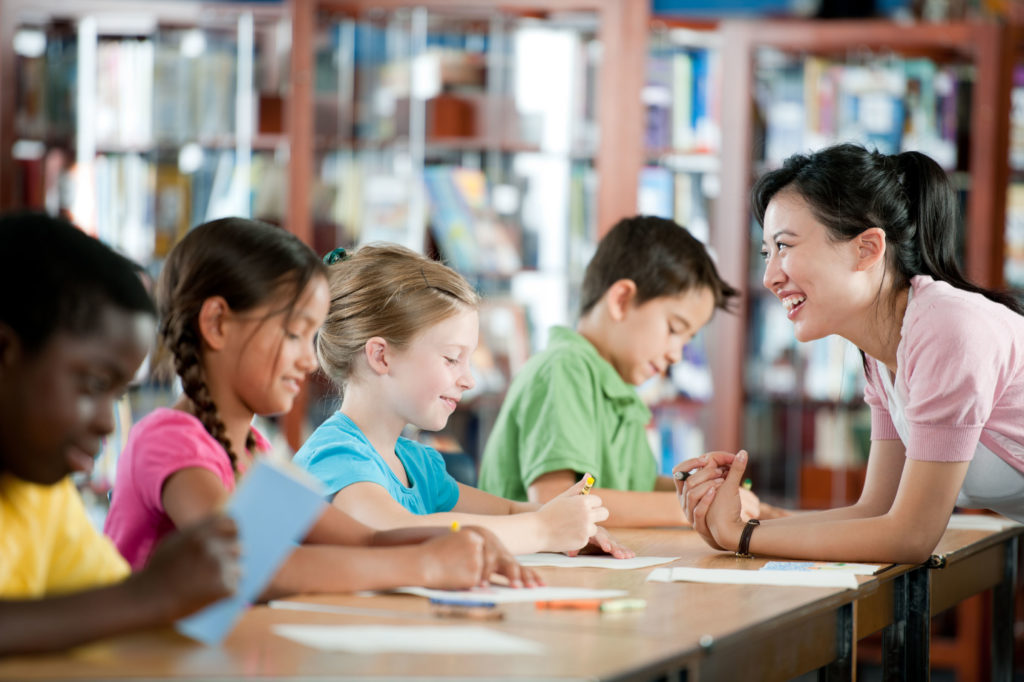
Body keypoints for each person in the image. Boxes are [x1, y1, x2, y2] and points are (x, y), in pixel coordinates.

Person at [104, 218, 535, 595]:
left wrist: (470, 540)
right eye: (293, 334)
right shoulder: (170, 440)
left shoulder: (253, 452)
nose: (310, 360)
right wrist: (424, 563)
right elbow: (244, 567)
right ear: (218, 324)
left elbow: (364, 541)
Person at [678, 143, 1024, 564]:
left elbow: (910, 538)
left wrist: (743, 537)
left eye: (785, 246)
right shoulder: (884, 349)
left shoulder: (947, 327)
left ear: (868, 248)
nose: (770, 276)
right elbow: (875, 512)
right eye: (766, 252)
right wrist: (735, 530)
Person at [0, 212, 239, 655]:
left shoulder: (41, 497)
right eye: (94, 384)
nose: (110, 423)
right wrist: (148, 595)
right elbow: (128, 602)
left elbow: (102, 610)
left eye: (119, 393)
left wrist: (164, 592)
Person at [295, 243, 631, 557]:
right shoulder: (335, 456)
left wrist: (568, 524)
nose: (469, 380)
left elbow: (511, 511)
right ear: (381, 356)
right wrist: (542, 530)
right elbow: (393, 530)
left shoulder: (419, 465)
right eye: (452, 358)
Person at [477, 215, 774, 526]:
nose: (676, 354)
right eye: (674, 329)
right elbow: (557, 497)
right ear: (621, 300)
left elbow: (632, 490)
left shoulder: (620, 394)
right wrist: (687, 508)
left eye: (686, 340)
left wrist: (707, 494)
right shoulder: (563, 368)